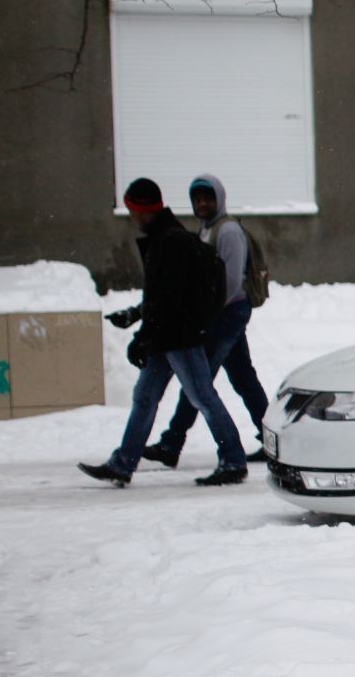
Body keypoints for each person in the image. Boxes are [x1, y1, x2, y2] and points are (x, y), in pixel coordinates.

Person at [79, 178, 250, 487]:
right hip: (168, 334)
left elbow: (168, 300)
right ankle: (123, 463)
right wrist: (138, 319)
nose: (131, 217)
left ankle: (234, 460)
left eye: (132, 210)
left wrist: (143, 338)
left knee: (202, 396)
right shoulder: (166, 237)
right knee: (145, 396)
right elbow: (161, 297)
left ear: (142, 211)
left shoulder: (170, 241)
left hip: (179, 337)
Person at [140, 174, 269, 468]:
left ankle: (173, 442)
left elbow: (232, 281)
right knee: (242, 379)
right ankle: (273, 440)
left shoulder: (228, 232)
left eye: (207, 198)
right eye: (197, 199)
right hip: (224, 315)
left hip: (227, 315)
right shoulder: (206, 231)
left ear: (219, 199)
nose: (202, 204)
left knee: (198, 382)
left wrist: (202, 312)